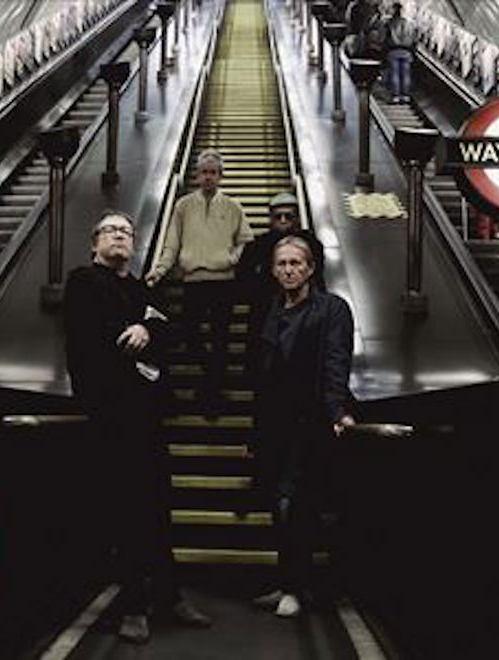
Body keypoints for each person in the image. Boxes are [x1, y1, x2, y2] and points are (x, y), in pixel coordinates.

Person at [64, 210, 211, 645]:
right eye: (111, 230)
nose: (119, 236)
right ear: (95, 242)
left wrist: (145, 328)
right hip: (110, 415)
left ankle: (169, 595)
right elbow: (94, 338)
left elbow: (168, 330)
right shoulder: (83, 282)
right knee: (125, 510)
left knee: (158, 506)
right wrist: (139, 332)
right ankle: (132, 604)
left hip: (147, 416)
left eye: (126, 232)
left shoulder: (142, 289)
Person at [251, 236, 357, 618]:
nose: (289, 270)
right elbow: (263, 375)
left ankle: (299, 587)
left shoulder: (331, 308)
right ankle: (287, 583)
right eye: (282, 264)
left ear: (311, 269)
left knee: (296, 504)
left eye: (296, 263)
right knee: (278, 503)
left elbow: (336, 360)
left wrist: (336, 410)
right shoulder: (271, 310)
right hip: (276, 424)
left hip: (311, 422)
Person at [146, 148, 253, 417]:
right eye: (204, 172)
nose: (208, 177)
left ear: (220, 176)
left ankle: (212, 394)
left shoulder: (233, 206)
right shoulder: (183, 206)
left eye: (213, 173)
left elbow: (245, 240)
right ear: (196, 175)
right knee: (190, 334)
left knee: (220, 338)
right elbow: (172, 243)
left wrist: (232, 259)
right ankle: (211, 376)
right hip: (193, 282)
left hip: (223, 282)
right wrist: (160, 270)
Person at [237, 191, 325, 376]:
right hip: (265, 313)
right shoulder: (256, 246)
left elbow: (318, 277)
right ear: (270, 219)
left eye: (288, 216)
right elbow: (243, 279)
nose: (283, 221)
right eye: (278, 217)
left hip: (303, 312)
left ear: (297, 218)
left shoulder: (311, 244)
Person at [385, 1, 415, 103]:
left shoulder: (390, 23)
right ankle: (405, 95)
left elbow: (385, 37)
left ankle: (396, 96)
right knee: (406, 74)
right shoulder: (408, 24)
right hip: (407, 52)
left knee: (395, 74)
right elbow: (413, 38)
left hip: (394, 51)